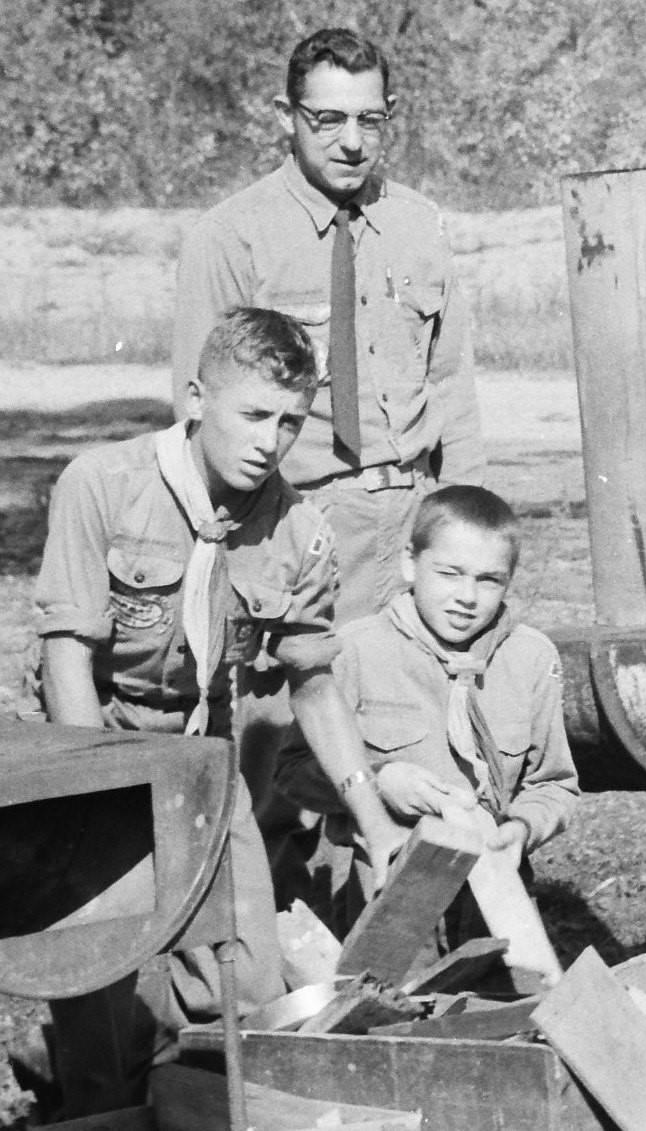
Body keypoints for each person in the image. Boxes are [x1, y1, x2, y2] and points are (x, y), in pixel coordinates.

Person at [30, 307, 406, 1116]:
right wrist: (104, 804)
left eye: (291, 421)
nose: (271, 440)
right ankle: (85, 1090)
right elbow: (67, 660)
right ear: (198, 398)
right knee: (102, 1002)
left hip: (205, 759)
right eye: (254, 414)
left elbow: (313, 682)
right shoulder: (102, 485)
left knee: (246, 988)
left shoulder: (297, 530)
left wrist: (375, 820)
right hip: (91, 744)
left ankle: (210, 1108)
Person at [169, 25, 485, 902]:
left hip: (407, 523)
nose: (351, 141)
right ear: (285, 117)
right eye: (327, 119)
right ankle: (258, 966)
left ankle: (402, 958)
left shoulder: (419, 226)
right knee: (275, 756)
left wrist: (466, 528)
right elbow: (198, 420)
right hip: (291, 529)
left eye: (371, 120)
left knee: (412, 742)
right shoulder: (230, 238)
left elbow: (451, 384)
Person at [275, 485, 578, 978]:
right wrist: (380, 779)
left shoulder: (531, 658)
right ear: (410, 564)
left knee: (501, 1023)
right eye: (449, 573)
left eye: (489, 580)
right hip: (386, 888)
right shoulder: (356, 651)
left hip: (495, 895)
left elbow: (554, 784)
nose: (466, 596)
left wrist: (521, 830)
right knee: (394, 1025)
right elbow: (291, 771)